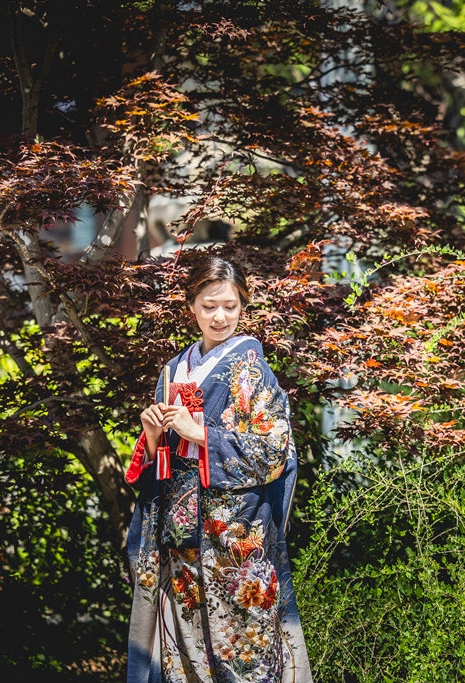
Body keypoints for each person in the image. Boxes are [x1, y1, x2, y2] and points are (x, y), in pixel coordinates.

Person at [124, 255, 313, 682]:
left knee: (243, 651)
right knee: (183, 651)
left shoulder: (250, 367)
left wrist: (201, 434)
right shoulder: (175, 368)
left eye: (230, 305)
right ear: (191, 305)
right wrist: (153, 436)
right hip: (178, 528)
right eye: (209, 306)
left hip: (234, 535)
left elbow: (273, 451)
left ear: (243, 306)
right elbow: (162, 460)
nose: (220, 316)